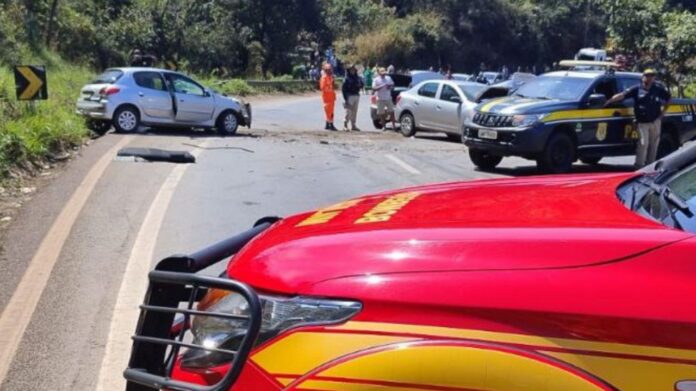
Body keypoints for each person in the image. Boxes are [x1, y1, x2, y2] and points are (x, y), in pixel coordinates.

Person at [605, 69, 671, 167]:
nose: (650, 78)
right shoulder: (636, 89)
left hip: (655, 121)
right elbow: (622, 95)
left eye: (652, 76)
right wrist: (609, 101)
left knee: (654, 145)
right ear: (643, 77)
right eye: (647, 76)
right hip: (642, 123)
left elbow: (669, 98)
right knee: (643, 143)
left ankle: (650, 166)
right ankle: (639, 165)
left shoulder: (658, 89)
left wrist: (663, 113)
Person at [341, 65, 363, 131]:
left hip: (356, 95)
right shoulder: (346, 79)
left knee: (354, 111)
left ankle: (353, 125)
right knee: (348, 112)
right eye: (351, 70)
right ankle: (345, 125)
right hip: (349, 96)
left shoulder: (357, 78)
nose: (353, 71)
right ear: (349, 71)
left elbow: (361, 85)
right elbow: (343, 89)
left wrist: (360, 83)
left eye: (354, 70)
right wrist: (345, 98)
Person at [320, 63, 337, 131]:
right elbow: (323, 88)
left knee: (331, 111)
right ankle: (331, 124)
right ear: (325, 70)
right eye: (328, 70)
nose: (330, 71)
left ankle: (327, 124)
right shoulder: (324, 77)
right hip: (327, 97)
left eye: (330, 69)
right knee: (328, 111)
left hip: (331, 97)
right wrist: (330, 89)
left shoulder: (330, 77)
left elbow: (332, 86)